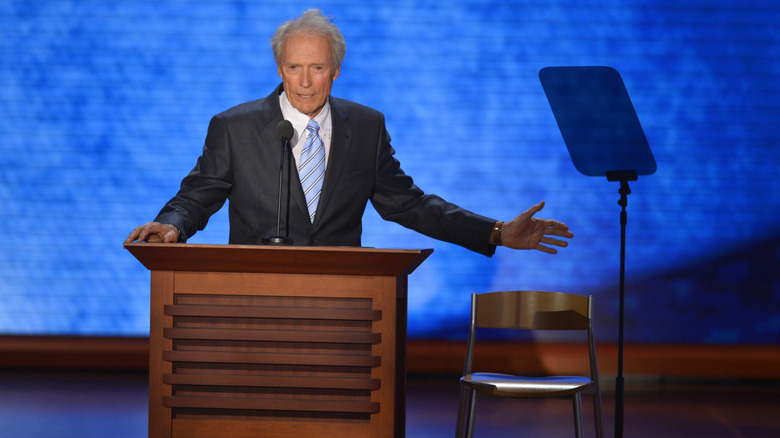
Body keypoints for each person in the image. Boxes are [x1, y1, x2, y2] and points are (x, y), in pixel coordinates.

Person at [125, 9, 573, 256]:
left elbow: (410, 205)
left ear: (335, 71)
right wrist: (170, 226)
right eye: (293, 68)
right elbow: (196, 196)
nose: (303, 81)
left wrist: (494, 231)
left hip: (341, 305)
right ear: (279, 68)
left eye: (316, 68)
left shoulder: (366, 127)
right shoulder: (234, 127)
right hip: (255, 298)